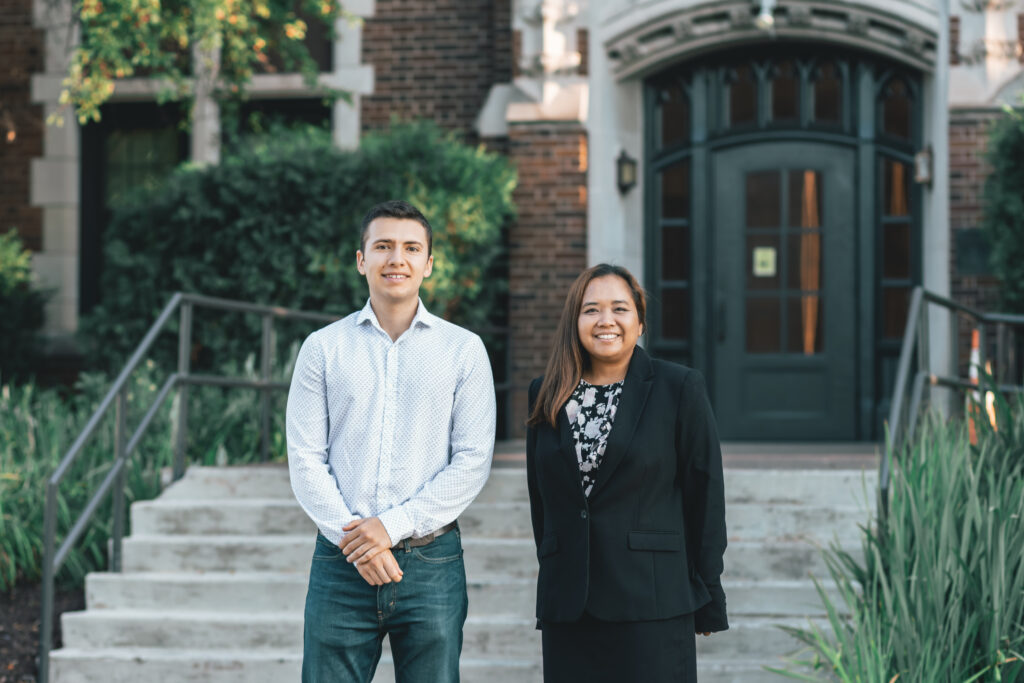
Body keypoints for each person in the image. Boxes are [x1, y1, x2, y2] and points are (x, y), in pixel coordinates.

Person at [286, 200, 496, 683]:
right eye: (382, 246)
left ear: (428, 263)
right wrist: (358, 541)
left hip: (432, 563)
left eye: (410, 248)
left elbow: (472, 459)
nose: (395, 259)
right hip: (340, 563)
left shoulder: (463, 350)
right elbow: (305, 457)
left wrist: (392, 526)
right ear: (361, 260)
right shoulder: (323, 348)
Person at [526, 263, 728, 682]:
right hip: (570, 607)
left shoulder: (679, 388)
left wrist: (708, 593)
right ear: (575, 322)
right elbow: (542, 502)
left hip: (651, 603)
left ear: (640, 323)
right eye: (591, 310)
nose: (606, 321)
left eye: (619, 308)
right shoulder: (546, 392)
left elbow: (705, 496)